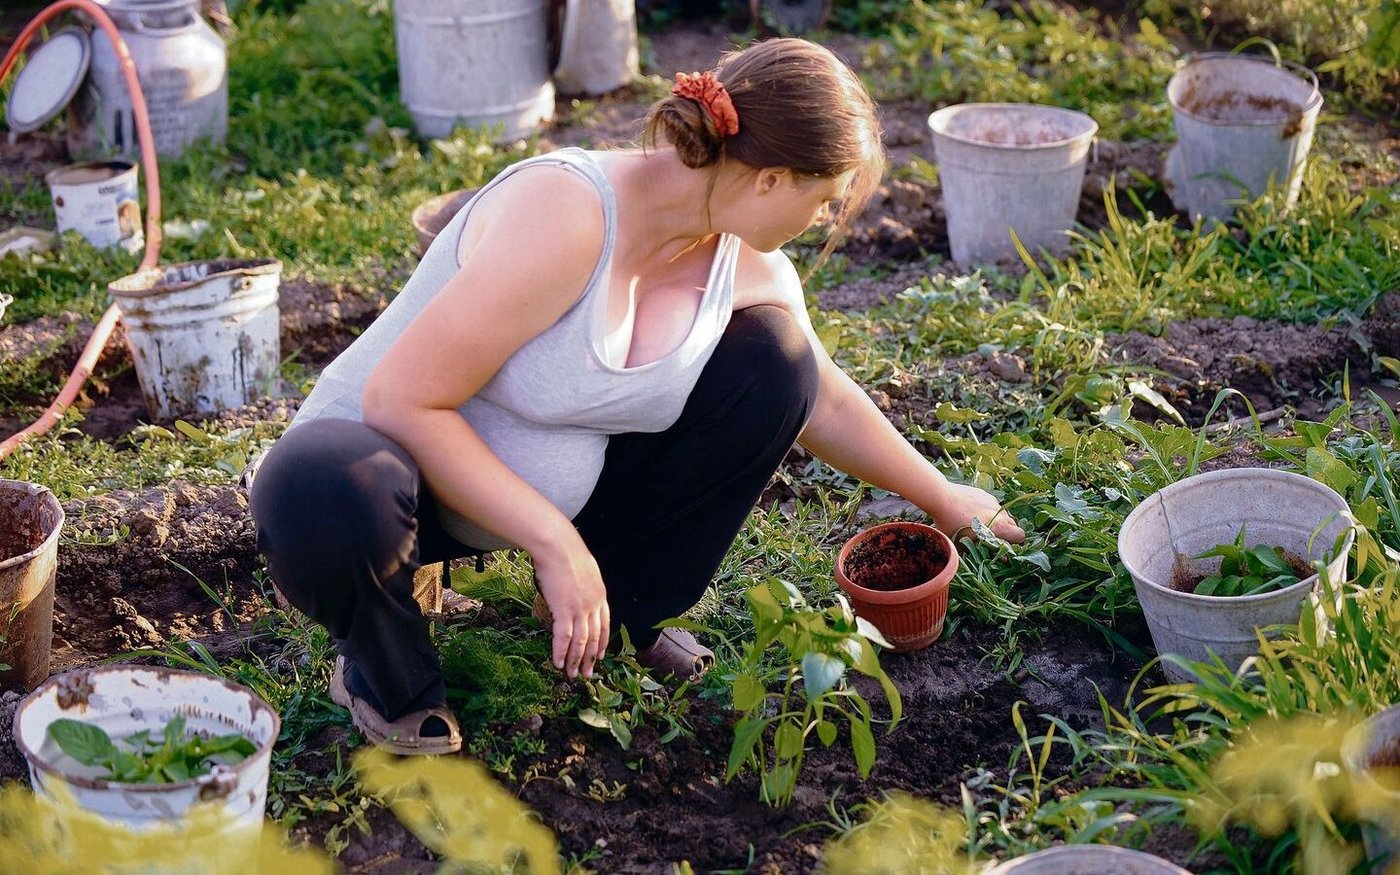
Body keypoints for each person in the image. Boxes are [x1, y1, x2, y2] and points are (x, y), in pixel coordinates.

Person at [249, 38, 1025, 756]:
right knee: (324, 485)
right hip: (378, 491)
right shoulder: (569, 216)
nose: (820, 221)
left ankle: (620, 615)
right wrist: (556, 543)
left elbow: (825, 401)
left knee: (778, 360)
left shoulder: (742, 263)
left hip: (515, 504)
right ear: (770, 179)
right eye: (823, 200)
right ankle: (385, 670)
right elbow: (399, 401)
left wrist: (943, 495)